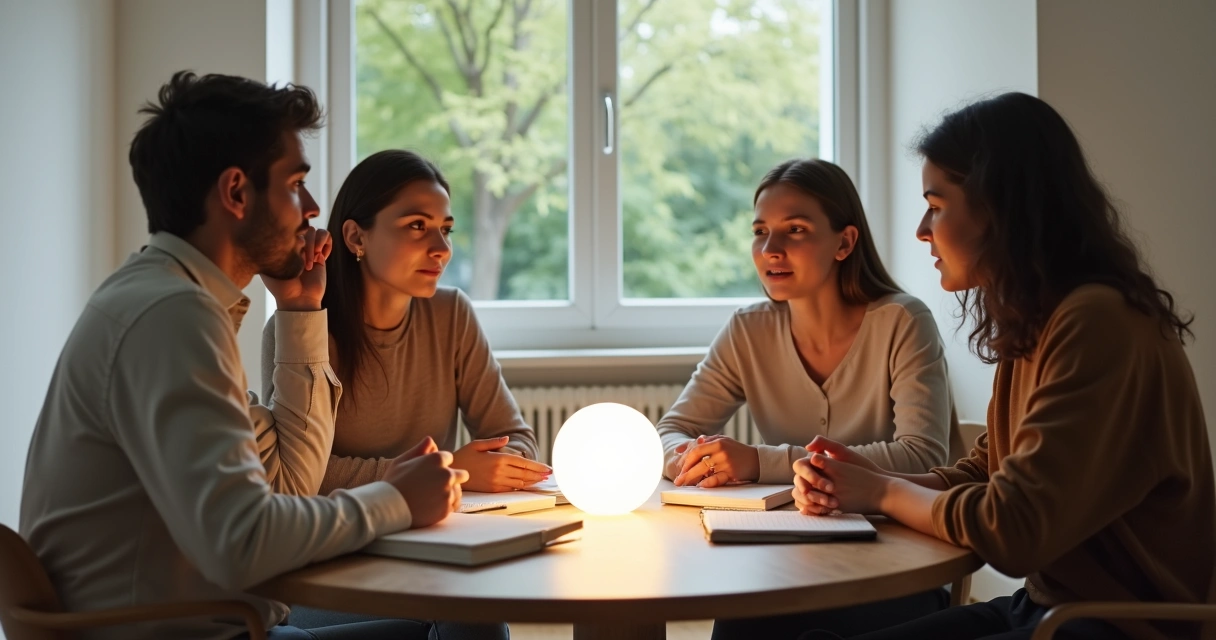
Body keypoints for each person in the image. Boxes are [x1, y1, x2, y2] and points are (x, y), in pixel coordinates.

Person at [19, 71, 466, 640]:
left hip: (211, 622)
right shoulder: (171, 318)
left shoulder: (171, 299)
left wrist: (302, 310)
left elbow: (285, 490)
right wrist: (395, 500)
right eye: (295, 185)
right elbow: (244, 543)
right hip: (181, 633)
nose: (310, 209)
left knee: (453, 613)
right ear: (235, 193)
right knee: (463, 615)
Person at [794, 92, 1214, 640]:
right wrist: (874, 478)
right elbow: (987, 475)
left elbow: (1013, 530)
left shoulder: (1097, 322)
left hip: (1114, 626)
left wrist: (879, 494)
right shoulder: (1039, 321)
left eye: (937, 204)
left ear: (1001, 207)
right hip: (1044, 607)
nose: (923, 229)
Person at [653, 158, 959, 639]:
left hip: (896, 561)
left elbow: (922, 455)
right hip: (786, 553)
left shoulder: (903, 321)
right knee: (740, 620)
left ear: (845, 242)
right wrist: (695, 459)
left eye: (794, 230)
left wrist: (757, 461)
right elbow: (669, 431)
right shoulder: (747, 330)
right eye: (760, 231)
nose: (770, 249)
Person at [261, 150, 547, 637]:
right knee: (466, 613)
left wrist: (489, 465)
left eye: (446, 229)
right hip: (332, 565)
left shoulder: (452, 315)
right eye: (417, 226)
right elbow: (299, 478)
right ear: (355, 237)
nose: (441, 248)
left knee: (473, 610)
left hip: (427, 548)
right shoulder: (302, 328)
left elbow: (517, 440)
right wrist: (450, 469)